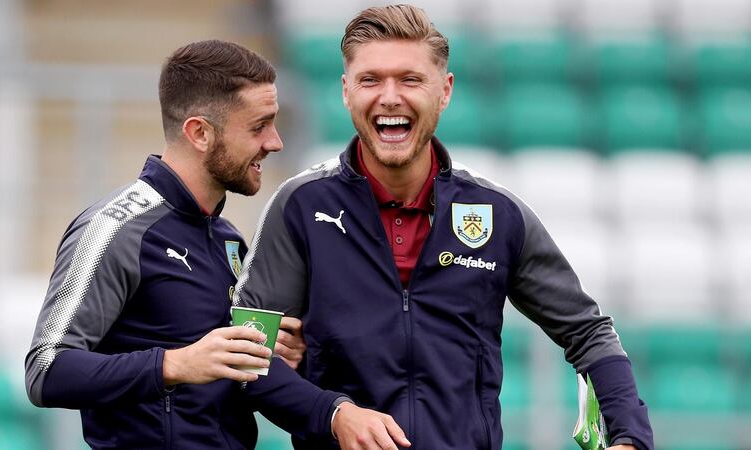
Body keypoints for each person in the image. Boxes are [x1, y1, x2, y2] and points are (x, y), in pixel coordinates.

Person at [233, 5, 654, 450]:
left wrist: (629, 436)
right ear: (346, 90)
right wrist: (334, 414)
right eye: (370, 80)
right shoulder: (299, 206)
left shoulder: (497, 214)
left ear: (445, 90)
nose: (390, 97)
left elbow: (587, 333)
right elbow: (244, 357)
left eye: (410, 80)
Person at [25, 39, 408, 450]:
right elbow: (46, 370)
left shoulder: (229, 241)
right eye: (259, 126)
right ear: (200, 133)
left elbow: (248, 377)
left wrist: (334, 410)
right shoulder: (114, 229)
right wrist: (174, 364)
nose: (275, 142)